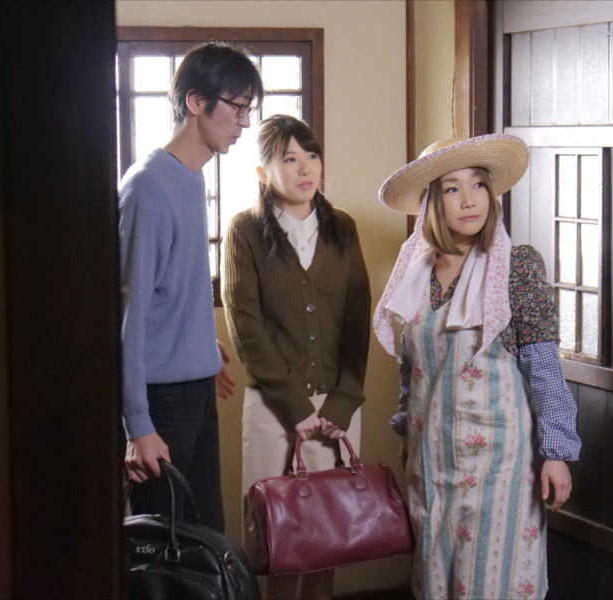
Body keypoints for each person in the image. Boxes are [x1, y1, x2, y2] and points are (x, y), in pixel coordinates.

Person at [374, 134, 581, 600]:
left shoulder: (515, 267)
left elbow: (544, 368)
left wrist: (557, 451)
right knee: (437, 580)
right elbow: (411, 367)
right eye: (452, 188)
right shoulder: (416, 273)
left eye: (478, 185)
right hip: (430, 463)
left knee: (492, 582)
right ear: (431, 202)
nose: (469, 200)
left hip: (498, 467)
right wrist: (405, 430)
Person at [222, 114, 371, 599]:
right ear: (263, 172)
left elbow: (357, 319)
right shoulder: (244, 231)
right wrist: (293, 403)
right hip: (272, 408)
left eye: (311, 155)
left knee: (328, 540)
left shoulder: (343, 227)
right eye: (289, 158)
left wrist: (344, 401)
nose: (306, 168)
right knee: (277, 543)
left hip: (336, 411)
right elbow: (245, 323)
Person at [118, 43, 264, 531]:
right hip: (161, 402)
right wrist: (138, 425)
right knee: (164, 547)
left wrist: (201, 347)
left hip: (196, 392)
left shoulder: (191, 177)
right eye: (238, 107)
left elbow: (177, 288)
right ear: (196, 102)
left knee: (205, 541)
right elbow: (128, 316)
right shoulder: (147, 188)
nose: (245, 122)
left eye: (248, 109)